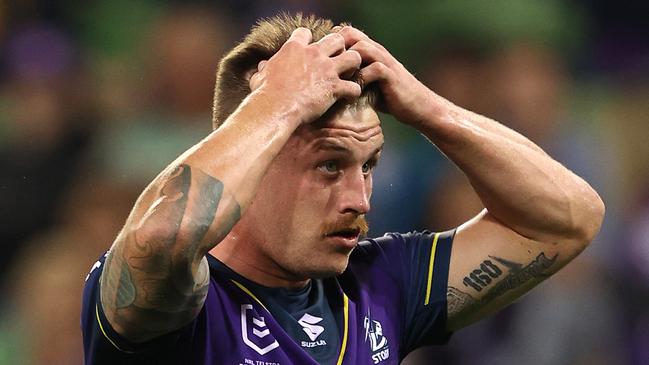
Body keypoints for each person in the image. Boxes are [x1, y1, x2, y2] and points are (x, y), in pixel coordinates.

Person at [81, 13, 604, 365]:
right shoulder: (185, 302)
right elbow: (160, 239)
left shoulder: (380, 286)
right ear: (255, 161)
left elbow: (568, 219)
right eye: (330, 166)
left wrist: (425, 106)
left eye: (369, 165)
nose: (360, 199)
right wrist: (277, 106)